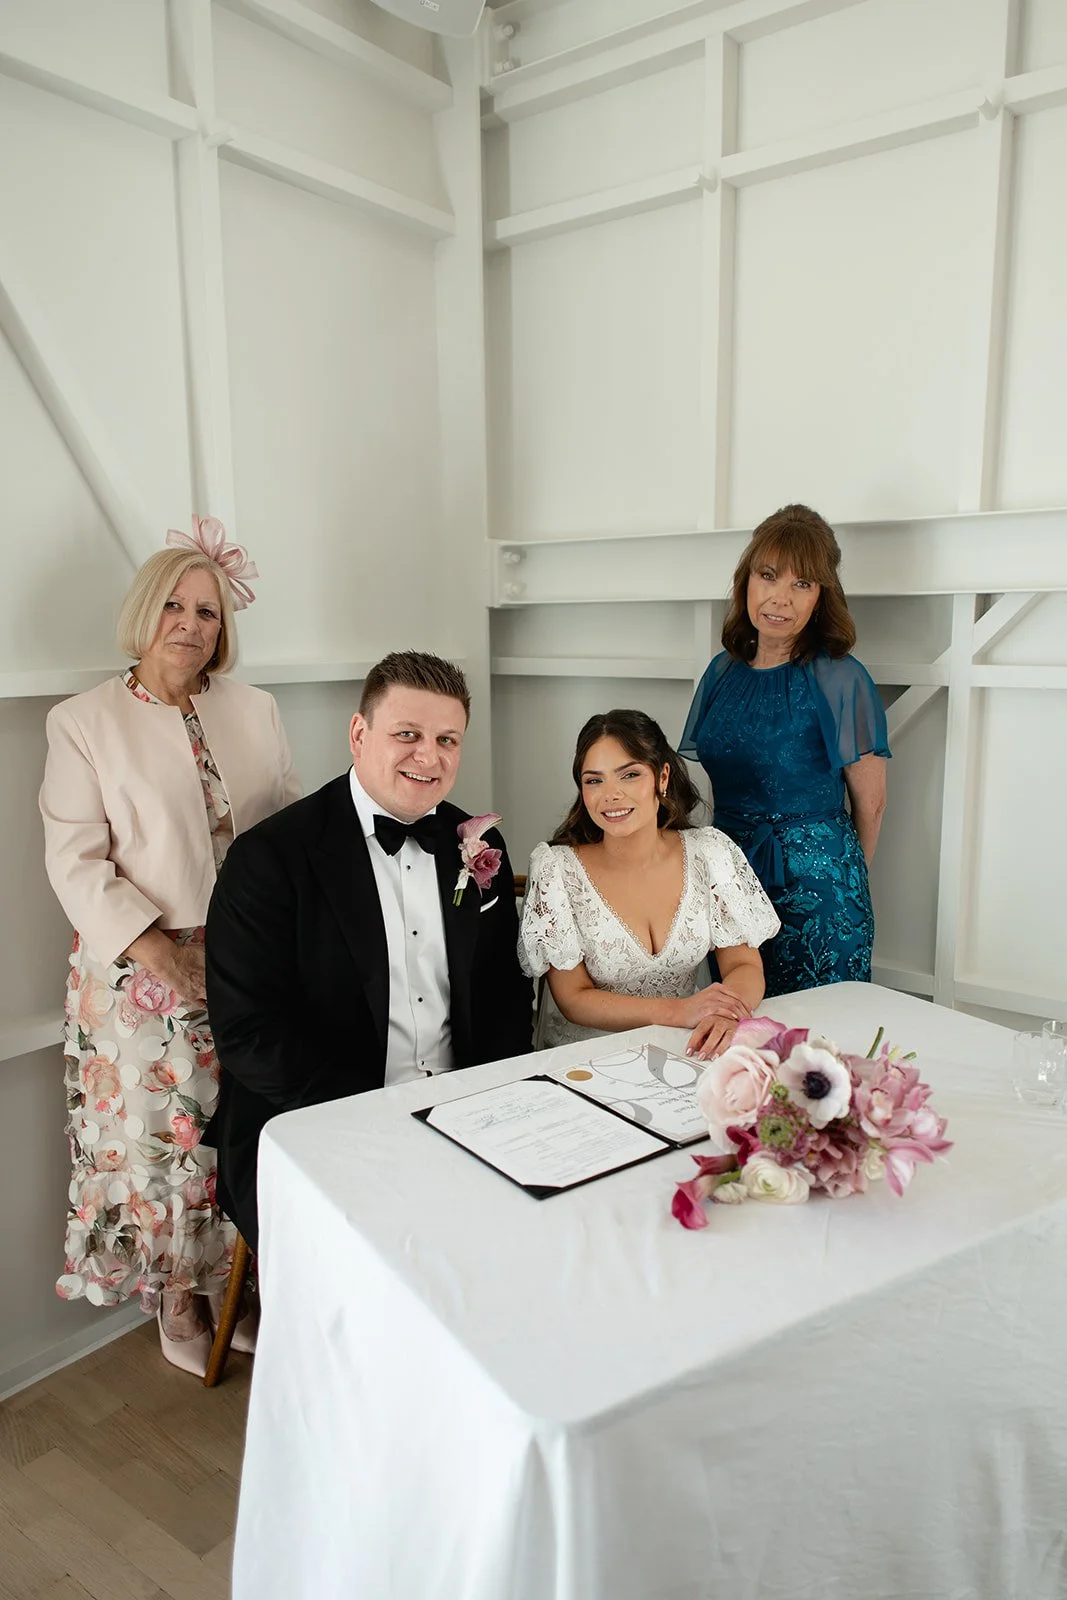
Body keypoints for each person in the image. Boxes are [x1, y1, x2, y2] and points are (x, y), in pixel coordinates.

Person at [40, 517, 300, 1376]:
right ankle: (175, 1298)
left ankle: (237, 1282)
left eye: (210, 612)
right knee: (166, 1136)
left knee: (248, 1121)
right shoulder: (83, 720)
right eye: (176, 607)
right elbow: (75, 858)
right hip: (143, 971)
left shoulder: (255, 709)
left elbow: (289, 826)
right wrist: (164, 954)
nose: (192, 625)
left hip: (250, 950)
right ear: (145, 613)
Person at [204, 650, 533, 1251]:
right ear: (359, 734)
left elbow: (503, 994)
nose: (428, 756)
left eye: (446, 739)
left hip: (462, 1114)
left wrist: (489, 1107)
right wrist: (378, 1117)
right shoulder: (269, 858)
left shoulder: (478, 843)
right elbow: (249, 1033)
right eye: (406, 734)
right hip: (317, 1119)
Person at [680, 503, 890, 997]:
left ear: (821, 597)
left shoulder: (840, 677)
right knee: (742, 1030)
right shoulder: (722, 672)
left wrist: (844, 887)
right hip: (729, 881)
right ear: (746, 582)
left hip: (819, 890)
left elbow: (872, 803)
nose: (780, 598)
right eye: (769, 576)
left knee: (819, 1041)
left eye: (802, 584)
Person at [518, 710, 780, 1060]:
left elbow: (744, 967)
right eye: (594, 781)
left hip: (689, 1046)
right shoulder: (557, 870)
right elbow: (573, 998)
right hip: (589, 1057)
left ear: (662, 776)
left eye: (629, 775)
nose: (611, 795)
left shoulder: (710, 853)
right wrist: (679, 1012)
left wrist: (725, 1013)